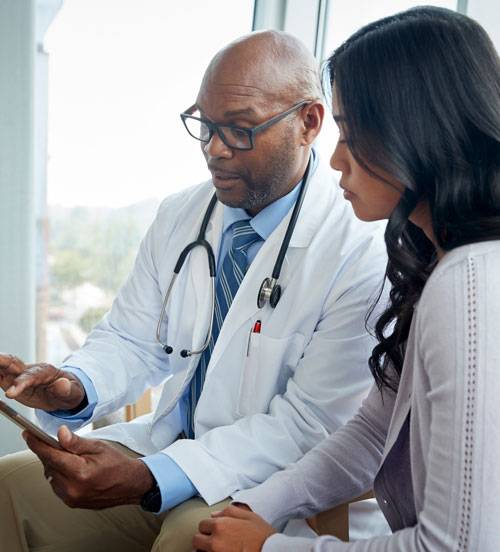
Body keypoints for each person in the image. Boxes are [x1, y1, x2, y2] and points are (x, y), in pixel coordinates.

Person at [0, 31, 389, 551]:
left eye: (240, 129)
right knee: (11, 486)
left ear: (309, 123)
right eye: (204, 124)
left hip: (271, 487)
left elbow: (309, 426)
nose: (214, 149)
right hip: (166, 451)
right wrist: (75, 385)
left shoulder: (359, 247)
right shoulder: (182, 214)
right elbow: (131, 337)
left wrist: (153, 478)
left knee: (193, 537)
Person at [192, 6, 500, 551]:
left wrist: (269, 548)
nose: (334, 160)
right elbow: (370, 435)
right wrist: (259, 506)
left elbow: (456, 547)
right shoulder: (442, 268)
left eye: (351, 135)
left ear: (418, 133)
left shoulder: (469, 284)